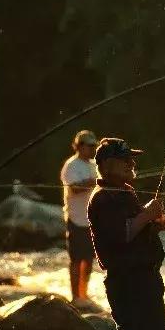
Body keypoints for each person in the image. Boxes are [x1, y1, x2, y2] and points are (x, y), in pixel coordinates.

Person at [86, 138, 165, 330]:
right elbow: (120, 236)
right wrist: (146, 214)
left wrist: (154, 223)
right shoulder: (103, 198)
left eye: (131, 159)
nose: (131, 163)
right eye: (125, 160)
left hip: (142, 279)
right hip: (129, 282)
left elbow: (133, 230)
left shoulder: (123, 192)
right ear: (107, 165)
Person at [60, 130, 98, 305]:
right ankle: (75, 297)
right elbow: (74, 189)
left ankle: (84, 295)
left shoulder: (94, 165)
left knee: (88, 260)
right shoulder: (71, 165)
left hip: (92, 219)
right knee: (76, 260)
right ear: (79, 146)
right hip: (75, 218)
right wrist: (92, 182)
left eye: (94, 146)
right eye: (90, 146)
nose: (93, 149)